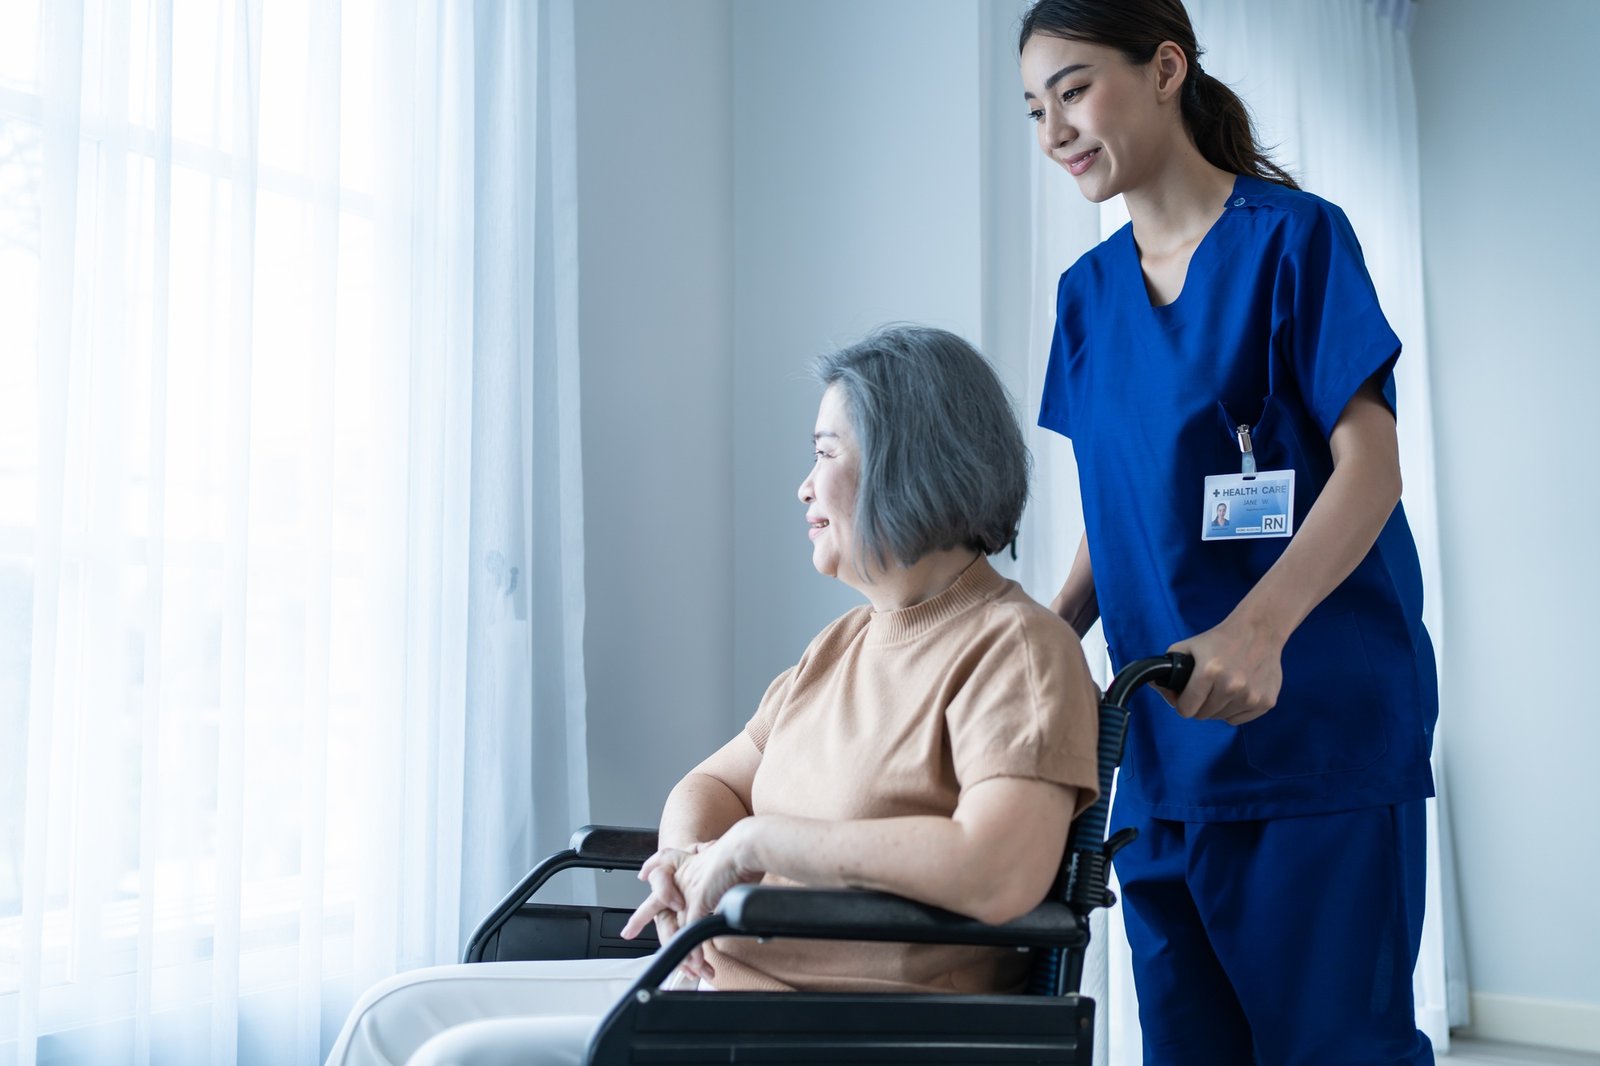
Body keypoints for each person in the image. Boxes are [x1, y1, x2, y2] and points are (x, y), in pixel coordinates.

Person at [323, 324, 1102, 1066]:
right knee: (391, 1011)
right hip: (718, 977)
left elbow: (999, 869)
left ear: (908, 465)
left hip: (846, 1020)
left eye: (824, 454)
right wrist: (687, 861)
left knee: (457, 1058)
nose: (802, 487)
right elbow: (715, 783)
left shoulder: (1019, 648)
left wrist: (757, 845)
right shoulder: (840, 646)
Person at [1017, 2, 1438, 1063]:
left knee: (1336, 1048)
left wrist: (1259, 631)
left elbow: (1371, 468)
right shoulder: (1084, 297)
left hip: (1314, 739)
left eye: (1072, 89)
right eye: (1033, 108)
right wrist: (1034, 642)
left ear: (1164, 68)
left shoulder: (1297, 240)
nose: (1053, 129)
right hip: (1157, 761)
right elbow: (1122, 513)